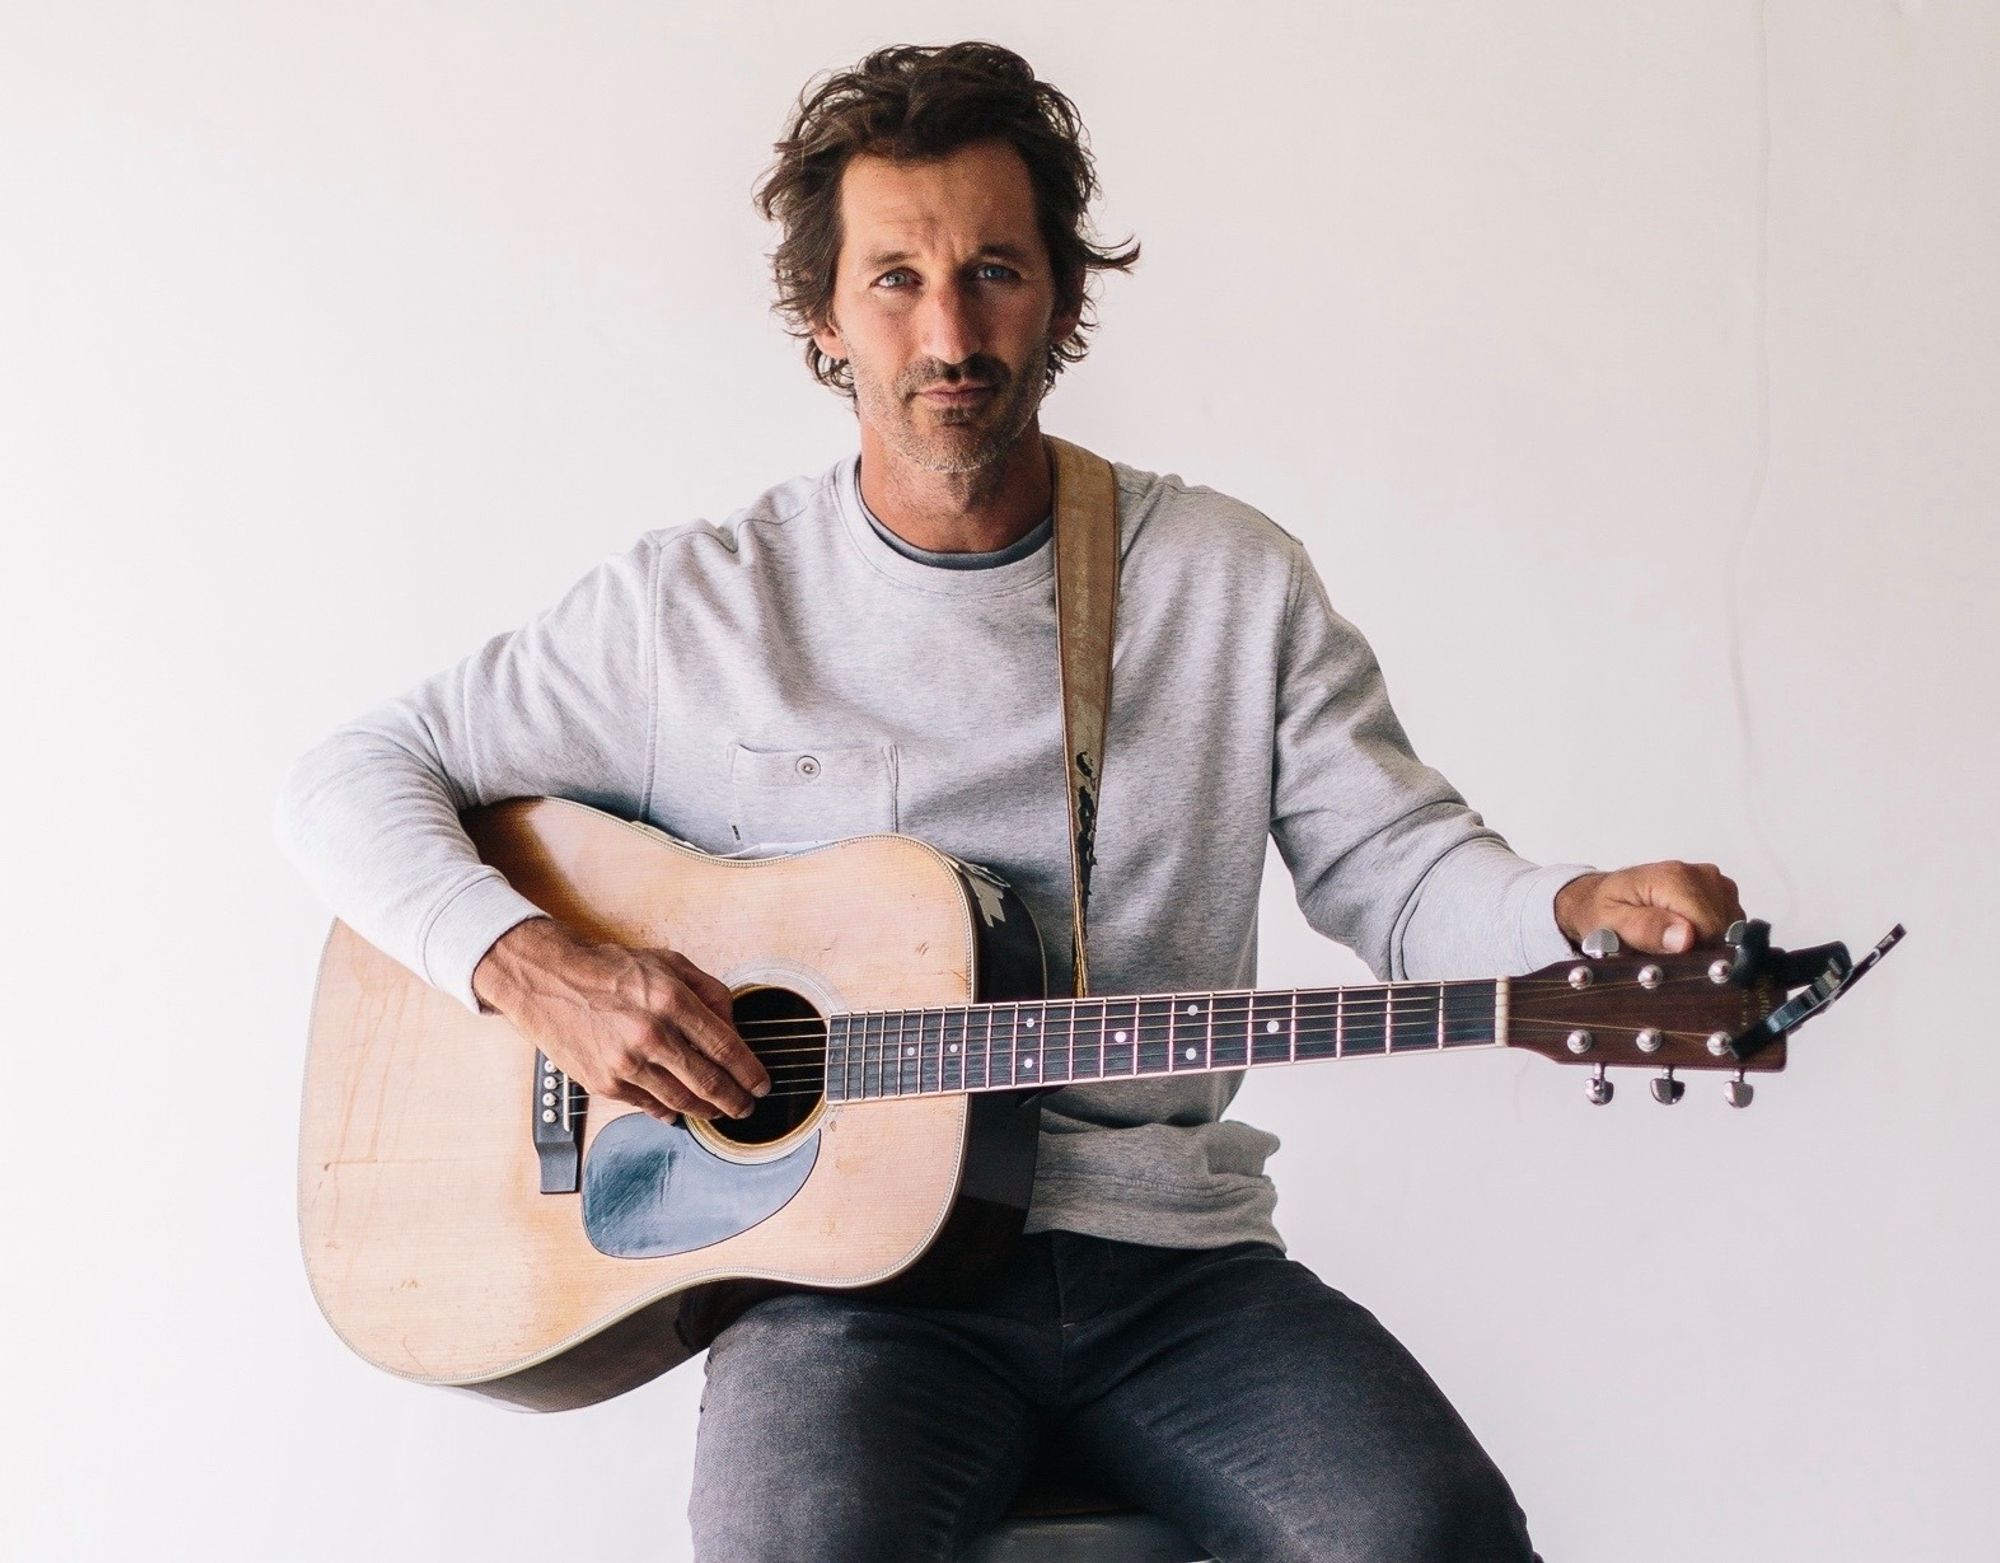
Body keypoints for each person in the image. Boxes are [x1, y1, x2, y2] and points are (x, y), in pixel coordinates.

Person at [274, 40, 1743, 1563]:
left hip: (1176, 1273)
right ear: (824, 315)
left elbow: (1403, 873)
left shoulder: (1223, 582)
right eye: (895, 281)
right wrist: (542, 973)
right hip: (843, 1303)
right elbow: (344, 780)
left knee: (1434, 1538)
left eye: (994, 272)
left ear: (1062, 295)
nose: (950, 332)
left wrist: (1571, 912)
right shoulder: (693, 612)